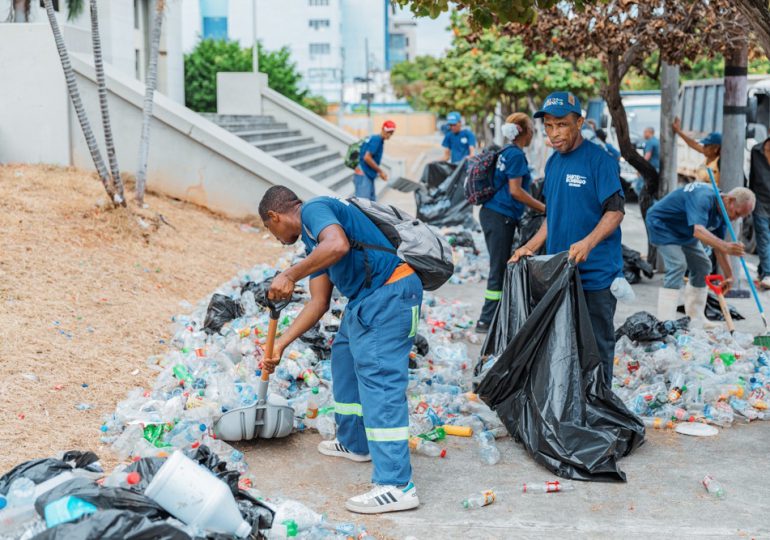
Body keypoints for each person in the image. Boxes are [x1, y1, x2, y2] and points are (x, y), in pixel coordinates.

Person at [258, 186, 421, 514]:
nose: (276, 238)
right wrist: (280, 343)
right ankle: (355, 443)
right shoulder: (312, 244)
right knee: (344, 358)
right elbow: (319, 303)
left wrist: (289, 274)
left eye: (270, 229)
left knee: (380, 382)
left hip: (390, 294)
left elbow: (338, 243)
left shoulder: (315, 210)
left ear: (275, 216)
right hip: (366, 301)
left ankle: (396, 485)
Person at [511, 91, 625, 382]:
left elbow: (614, 212)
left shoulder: (601, 161)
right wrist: (530, 246)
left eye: (561, 124)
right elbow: (554, 215)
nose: (554, 133)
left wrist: (588, 242)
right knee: (565, 345)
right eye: (548, 126)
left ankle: (600, 409)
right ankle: (572, 409)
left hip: (595, 275)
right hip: (561, 273)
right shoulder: (553, 163)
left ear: (580, 123)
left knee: (597, 347)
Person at [646, 183, 754, 325]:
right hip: (663, 225)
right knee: (678, 265)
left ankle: (695, 317)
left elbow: (719, 246)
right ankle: (665, 321)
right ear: (730, 200)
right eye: (738, 214)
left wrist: (729, 276)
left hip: (685, 230)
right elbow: (699, 231)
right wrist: (726, 246)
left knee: (703, 266)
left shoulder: (725, 212)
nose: (737, 218)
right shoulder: (703, 197)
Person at [476, 112, 545, 333]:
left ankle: (496, 316)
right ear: (523, 132)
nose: (534, 134)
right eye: (532, 130)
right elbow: (516, 191)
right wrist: (543, 208)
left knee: (501, 266)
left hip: (493, 214)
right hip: (499, 216)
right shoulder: (515, 155)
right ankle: (486, 321)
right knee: (498, 268)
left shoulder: (505, 151)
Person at [353, 120, 396, 201]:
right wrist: (380, 171)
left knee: (371, 203)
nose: (389, 134)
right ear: (383, 129)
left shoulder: (378, 140)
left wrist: (378, 172)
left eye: (391, 132)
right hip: (363, 173)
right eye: (388, 131)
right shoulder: (377, 140)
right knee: (363, 204)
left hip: (367, 174)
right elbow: (367, 157)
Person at [672, 117, 721, 184]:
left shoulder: (720, 162)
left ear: (716, 148)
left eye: (707, 146)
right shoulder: (708, 156)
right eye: (704, 145)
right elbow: (693, 144)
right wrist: (678, 131)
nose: (703, 147)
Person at [749, 137, 770, 288]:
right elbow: (752, 176)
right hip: (760, 200)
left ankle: (762, 270)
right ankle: (768, 274)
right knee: (763, 237)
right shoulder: (756, 151)